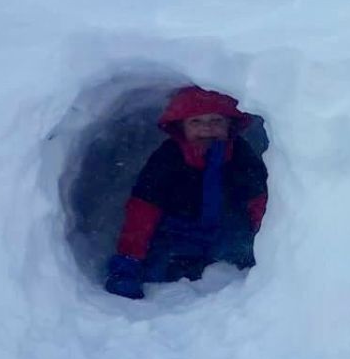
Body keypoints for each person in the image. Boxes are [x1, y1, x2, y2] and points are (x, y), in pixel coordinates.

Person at [104, 86, 268, 300]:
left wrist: (270, 245)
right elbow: (143, 210)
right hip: (179, 231)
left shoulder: (241, 155)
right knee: (156, 268)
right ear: (181, 127)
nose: (206, 129)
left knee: (245, 258)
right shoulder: (168, 158)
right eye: (196, 122)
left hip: (228, 230)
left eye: (216, 121)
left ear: (230, 125)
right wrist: (129, 260)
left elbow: (260, 202)